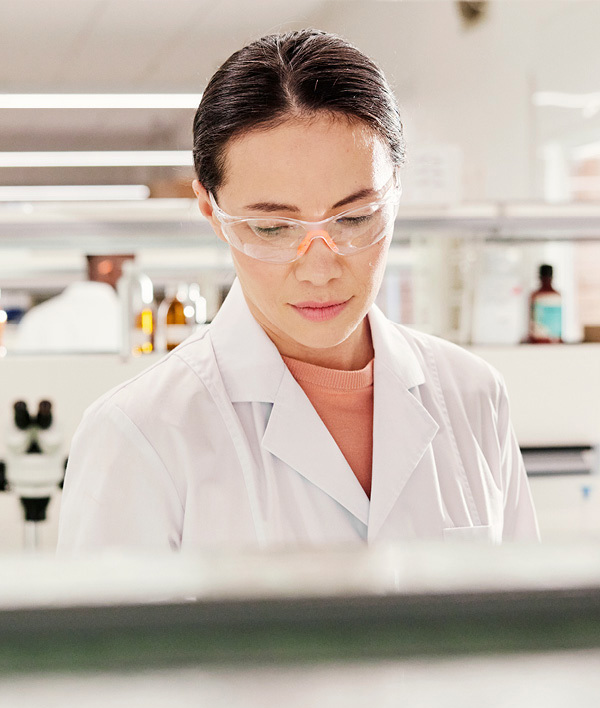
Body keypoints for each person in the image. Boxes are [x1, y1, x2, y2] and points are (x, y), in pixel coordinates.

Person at [57, 30, 539, 553]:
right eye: (272, 228)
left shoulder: (473, 397)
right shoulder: (142, 435)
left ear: (396, 190)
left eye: (355, 218)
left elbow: (535, 632)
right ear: (211, 212)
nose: (319, 269)